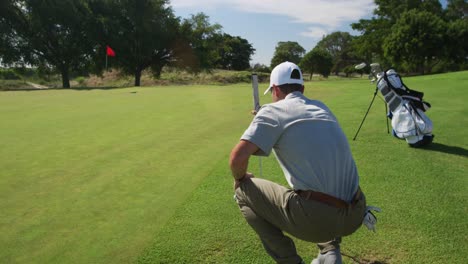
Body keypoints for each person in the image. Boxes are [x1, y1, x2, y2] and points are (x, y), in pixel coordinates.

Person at [230, 61, 367, 264]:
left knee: (243, 189)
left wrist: (240, 177)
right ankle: (330, 252)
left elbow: (238, 159)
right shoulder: (322, 107)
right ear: (302, 88)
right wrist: (264, 123)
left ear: (275, 89)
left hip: (319, 219)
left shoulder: (272, 112)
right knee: (318, 179)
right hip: (356, 212)